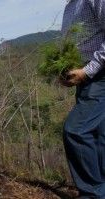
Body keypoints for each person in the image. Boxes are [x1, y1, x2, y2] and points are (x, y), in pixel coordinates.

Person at [60, 0, 105, 198]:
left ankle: (92, 194)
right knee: (98, 136)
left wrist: (87, 71)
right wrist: (65, 71)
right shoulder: (70, 6)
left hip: (99, 75)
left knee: (76, 130)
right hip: (85, 78)